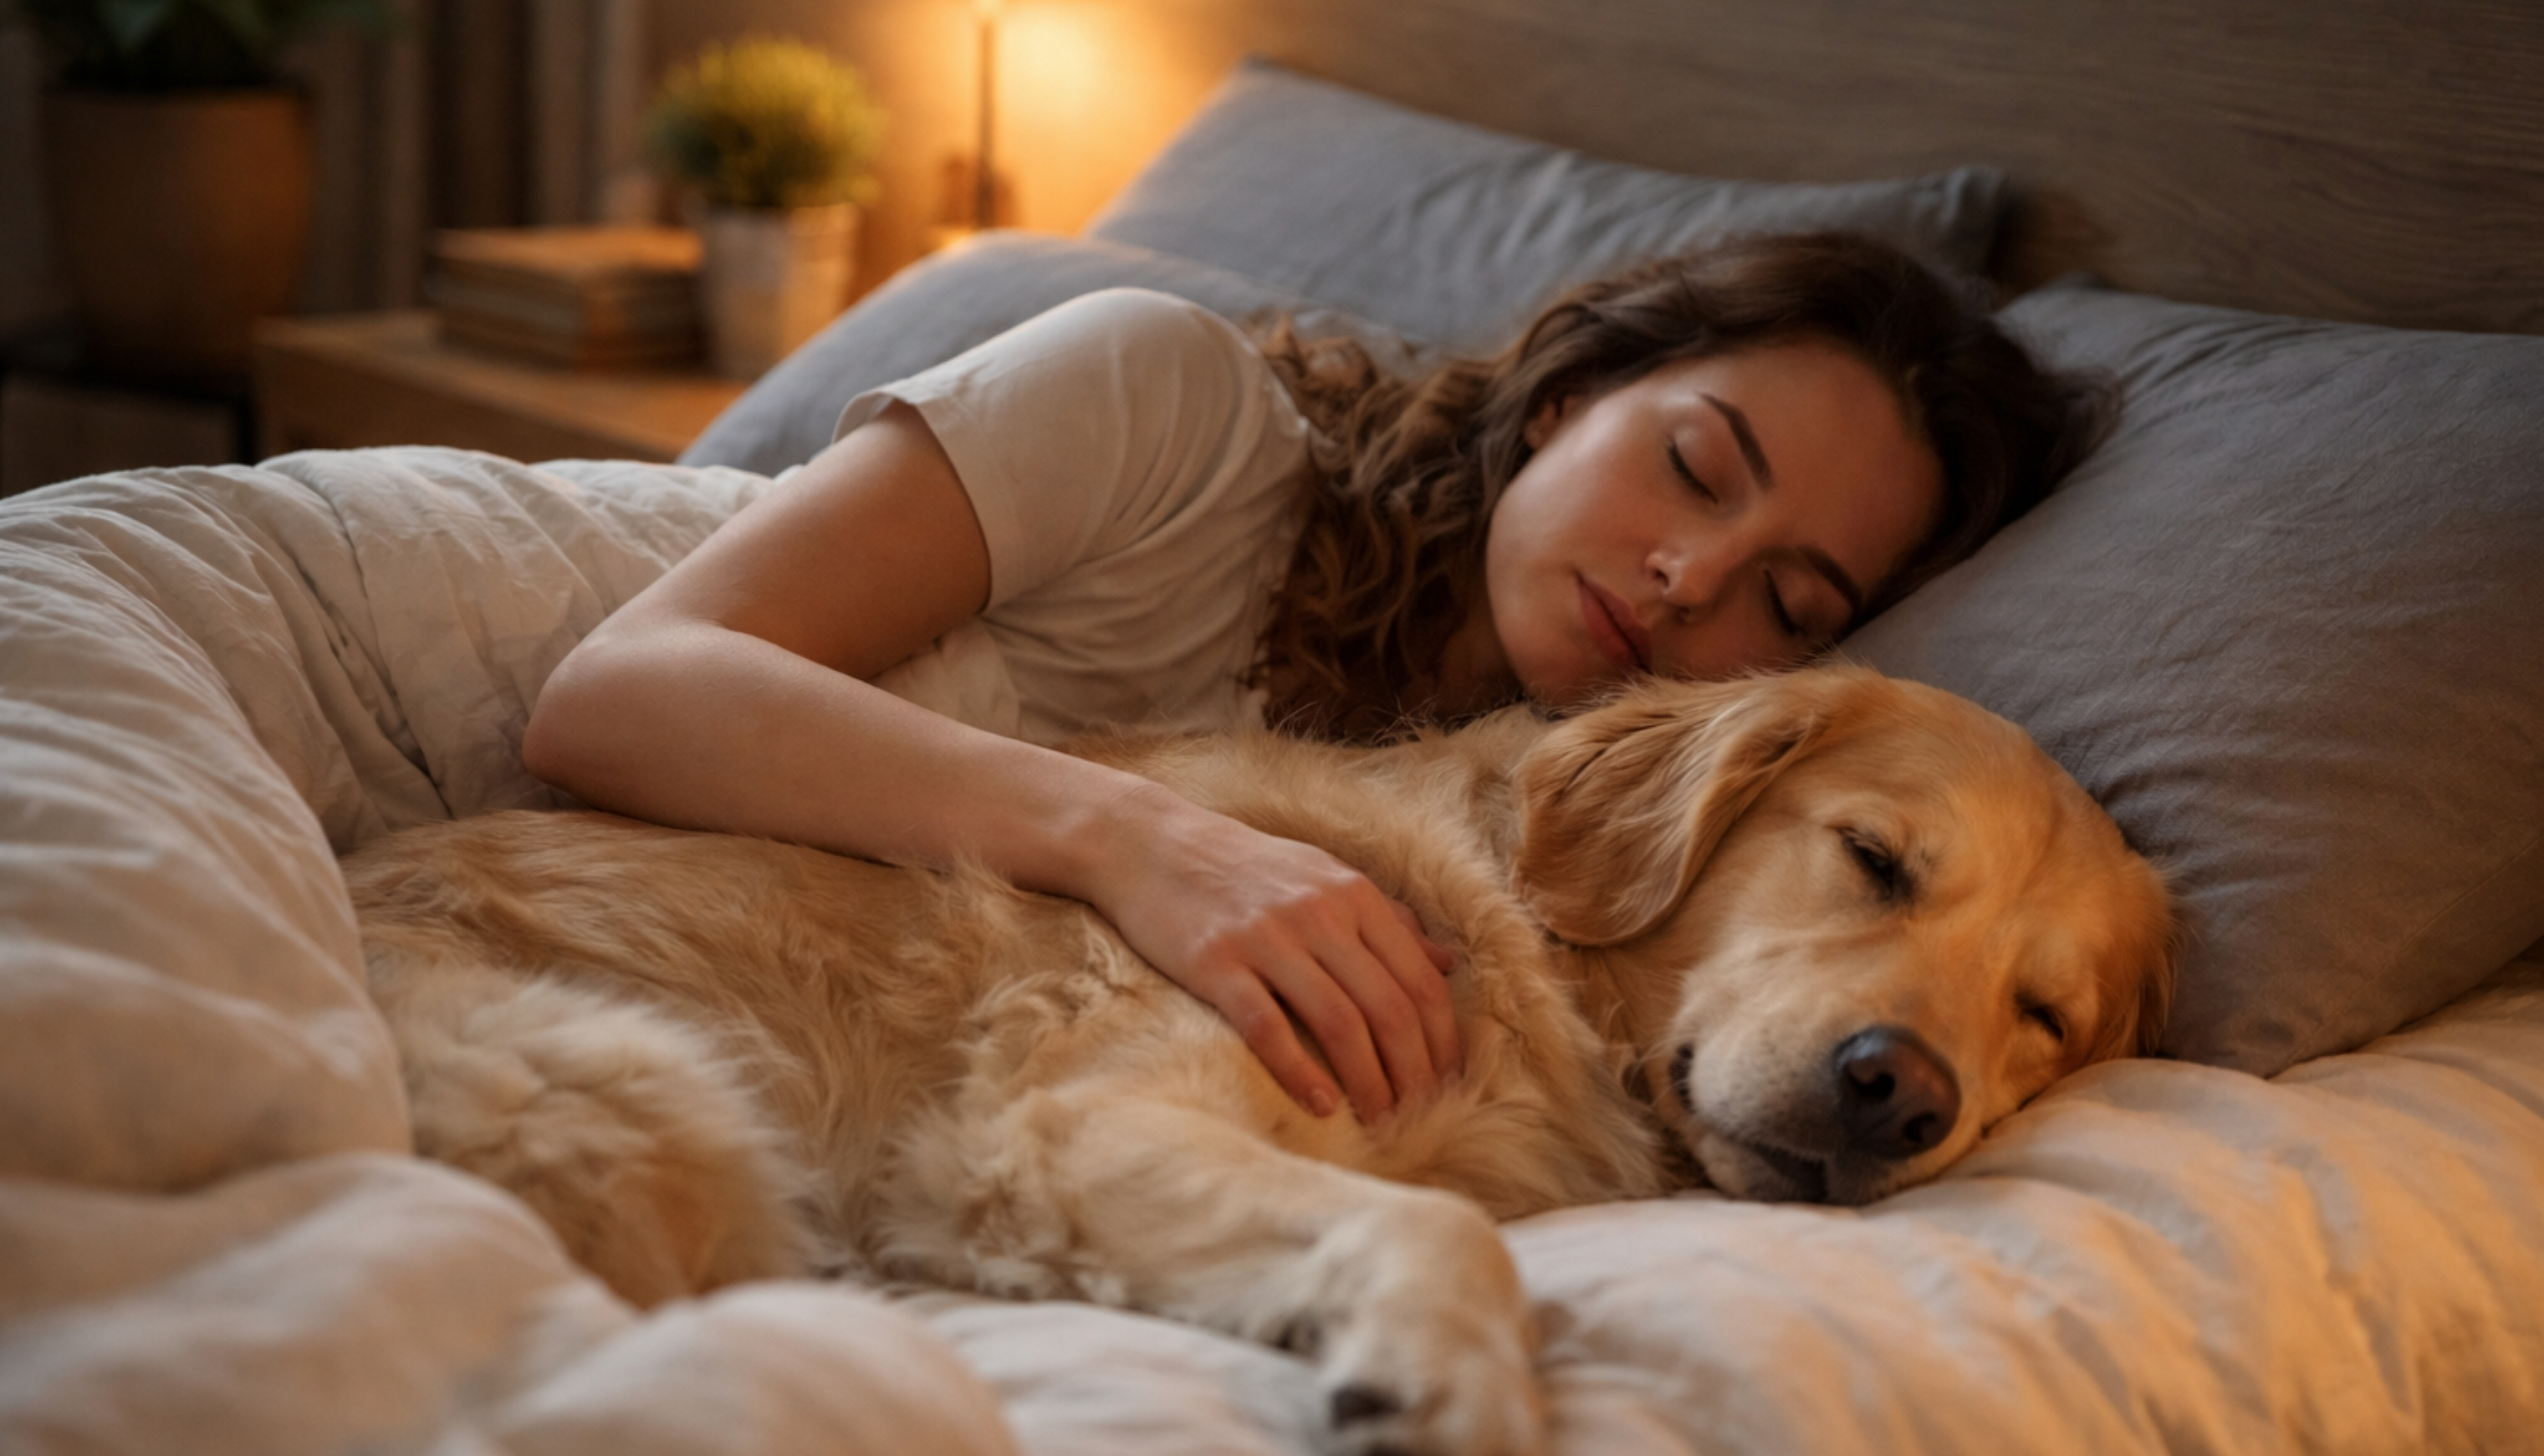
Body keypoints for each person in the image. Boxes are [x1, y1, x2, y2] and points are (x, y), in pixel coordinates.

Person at [522, 230, 2113, 1128]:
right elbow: (623, 689)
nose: (1691, 581)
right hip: (525, 859)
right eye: (1695, 469)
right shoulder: (1165, 402)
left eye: (1789, 594)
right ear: (1567, 394)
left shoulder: (1532, 861)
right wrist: (1144, 844)